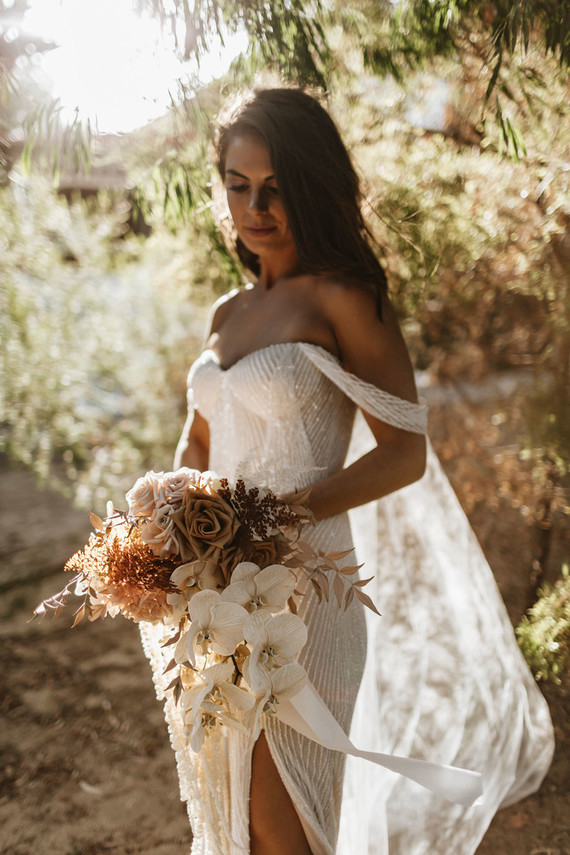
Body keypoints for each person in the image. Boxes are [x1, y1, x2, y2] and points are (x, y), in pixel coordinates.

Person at [139, 88, 554, 855]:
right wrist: (168, 512)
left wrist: (283, 515)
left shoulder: (345, 298)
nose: (256, 207)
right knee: (234, 816)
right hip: (217, 589)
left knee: (283, 823)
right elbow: (198, 439)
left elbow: (405, 452)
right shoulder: (227, 312)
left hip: (307, 587)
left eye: (276, 186)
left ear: (313, 185)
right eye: (238, 184)